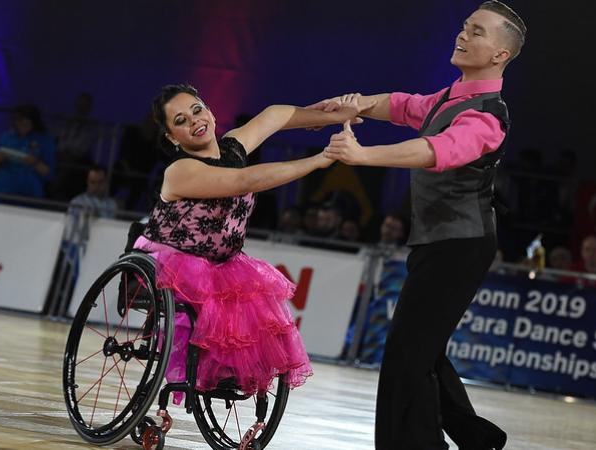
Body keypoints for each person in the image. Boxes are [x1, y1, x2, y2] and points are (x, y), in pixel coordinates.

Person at [312, 2, 526, 448]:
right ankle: (477, 437)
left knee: (407, 356)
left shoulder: (488, 114)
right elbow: (405, 106)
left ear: (499, 55)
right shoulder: (452, 97)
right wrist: (357, 104)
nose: (462, 35)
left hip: (461, 244)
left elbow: (438, 149)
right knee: (420, 349)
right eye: (465, 27)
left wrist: (364, 156)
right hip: (440, 241)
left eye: (477, 32)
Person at [133, 84, 374, 403]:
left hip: (222, 261)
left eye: (197, 109)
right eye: (181, 120)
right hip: (174, 264)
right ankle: (202, 372)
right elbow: (245, 181)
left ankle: (223, 374)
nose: (194, 121)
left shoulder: (232, 149)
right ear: (172, 138)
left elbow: (275, 115)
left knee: (250, 303)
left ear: (210, 111)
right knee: (214, 297)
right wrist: (319, 160)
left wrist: (330, 116)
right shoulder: (181, 170)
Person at [0, 104, 56, 198]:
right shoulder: (5, 138)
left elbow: (49, 174)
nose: (21, 126)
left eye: (26, 123)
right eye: (18, 122)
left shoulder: (45, 141)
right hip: (2, 192)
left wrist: (35, 163)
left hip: (30, 195)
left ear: (34, 122)